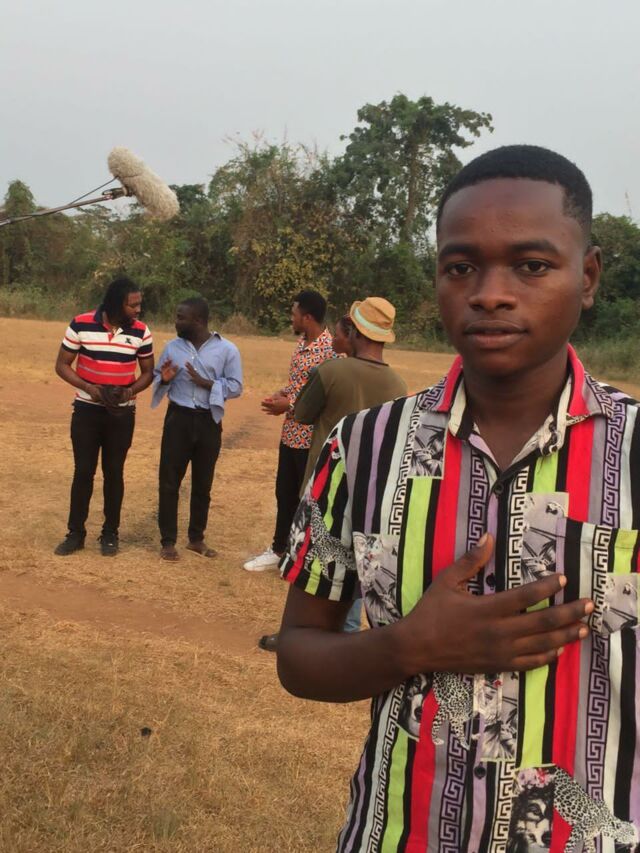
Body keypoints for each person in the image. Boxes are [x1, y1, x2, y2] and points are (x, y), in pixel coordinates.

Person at [276, 146, 640, 851]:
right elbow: (298, 655)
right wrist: (409, 645)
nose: (490, 293)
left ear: (588, 275)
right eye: (461, 267)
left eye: (531, 266)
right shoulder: (363, 446)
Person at [54, 276, 154, 557]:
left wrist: (129, 391)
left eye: (139, 304)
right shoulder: (81, 324)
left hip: (121, 413)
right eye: (133, 305)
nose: (138, 309)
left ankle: (110, 533)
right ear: (116, 303)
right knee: (83, 471)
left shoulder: (141, 331)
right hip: (87, 411)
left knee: (114, 472)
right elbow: (62, 365)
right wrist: (89, 388)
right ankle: (75, 534)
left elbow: (148, 372)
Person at [243, 290, 335, 574]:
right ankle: (279, 550)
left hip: (310, 439)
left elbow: (326, 396)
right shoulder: (301, 343)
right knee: (284, 494)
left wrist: (290, 404)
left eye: (294, 313)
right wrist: (281, 395)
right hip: (290, 435)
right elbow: (298, 384)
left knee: (307, 498)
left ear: (307, 317)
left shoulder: (330, 350)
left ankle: (303, 557)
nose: (291, 318)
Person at [151, 297, 242, 562]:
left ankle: (196, 539)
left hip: (208, 421)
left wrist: (207, 383)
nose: (176, 322)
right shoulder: (172, 347)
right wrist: (164, 380)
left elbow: (236, 386)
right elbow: (158, 379)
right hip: (178, 419)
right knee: (169, 481)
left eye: (181, 318)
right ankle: (168, 541)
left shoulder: (227, 350)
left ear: (199, 321)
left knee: (203, 483)